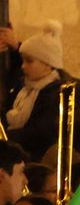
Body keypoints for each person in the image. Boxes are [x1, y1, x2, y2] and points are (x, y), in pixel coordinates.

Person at [5, 22, 65, 162]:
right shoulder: (24, 87)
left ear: (48, 64)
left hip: (36, 160)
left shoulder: (55, 94)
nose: (23, 66)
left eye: (29, 61)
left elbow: (39, 133)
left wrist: (5, 138)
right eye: (23, 61)